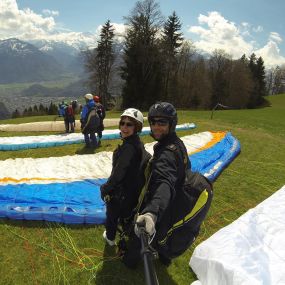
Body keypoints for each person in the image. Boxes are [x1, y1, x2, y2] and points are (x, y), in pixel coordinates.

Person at [122, 102, 213, 268]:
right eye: (153, 122)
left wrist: (151, 212)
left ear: (172, 124)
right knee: (165, 232)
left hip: (161, 203)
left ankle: (130, 262)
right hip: (174, 202)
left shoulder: (167, 154)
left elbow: (165, 181)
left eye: (162, 122)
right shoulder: (176, 144)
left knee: (140, 237)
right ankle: (164, 258)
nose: (156, 127)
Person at [100, 108, 147, 247]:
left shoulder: (129, 148)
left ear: (136, 127)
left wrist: (105, 188)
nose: (124, 127)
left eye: (129, 124)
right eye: (122, 123)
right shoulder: (137, 142)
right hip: (131, 191)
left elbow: (119, 173)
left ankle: (110, 238)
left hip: (122, 193)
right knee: (126, 215)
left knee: (112, 216)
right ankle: (127, 234)